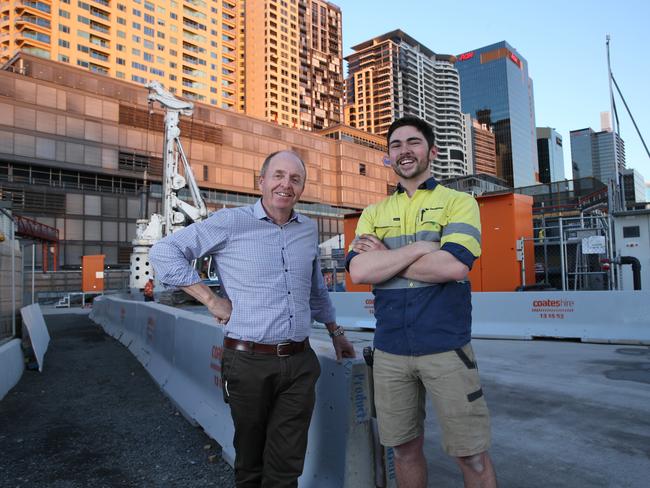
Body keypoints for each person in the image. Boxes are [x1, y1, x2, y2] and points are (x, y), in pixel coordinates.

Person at [150, 150, 355, 488]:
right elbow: (163, 253)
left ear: (301, 188)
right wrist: (211, 300)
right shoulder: (230, 221)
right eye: (278, 175)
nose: (285, 184)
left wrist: (336, 332)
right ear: (261, 181)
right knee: (250, 461)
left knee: (287, 465)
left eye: (295, 179)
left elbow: (316, 289)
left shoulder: (307, 228)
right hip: (248, 362)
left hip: (299, 362)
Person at [347, 116, 497, 488]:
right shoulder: (372, 213)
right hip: (390, 352)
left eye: (413, 143)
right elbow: (360, 273)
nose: (404, 151)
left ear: (432, 151)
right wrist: (418, 248)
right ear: (388, 157)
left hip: (446, 348)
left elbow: (454, 265)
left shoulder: (459, 203)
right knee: (403, 451)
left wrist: (387, 257)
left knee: (472, 455)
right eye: (396, 145)